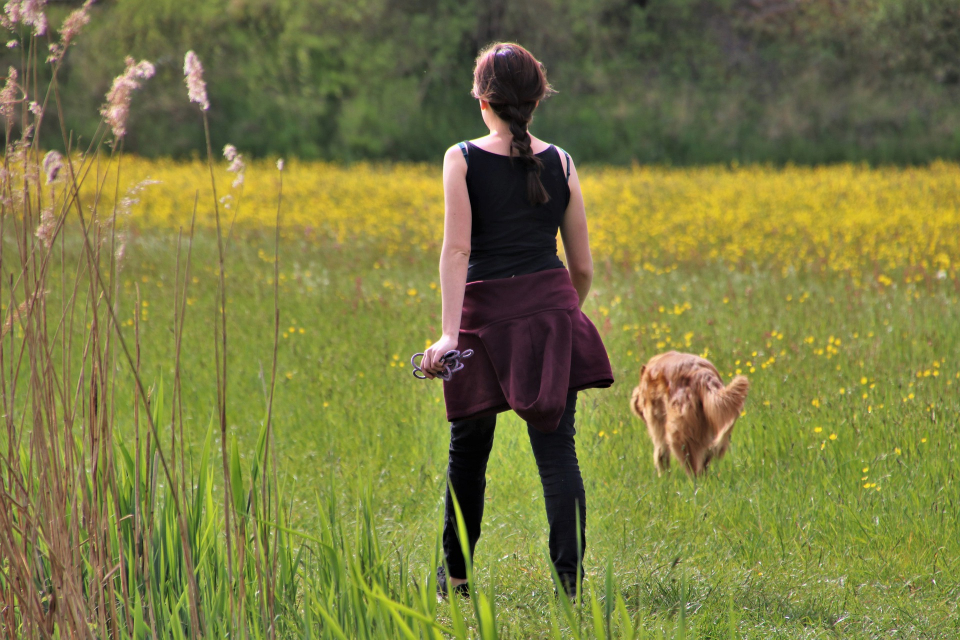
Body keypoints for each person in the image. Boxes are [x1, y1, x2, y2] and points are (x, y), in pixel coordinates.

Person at [418, 42, 613, 599]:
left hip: (482, 321)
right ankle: (570, 589)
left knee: (468, 452)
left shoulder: (461, 158)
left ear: (482, 99)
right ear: (535, 100)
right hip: (551, 313)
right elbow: (582, 266)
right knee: (558, 451)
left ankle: (455, 581)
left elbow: (457, 252)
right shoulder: (563, 162)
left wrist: (450, 335)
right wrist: (561, 313)